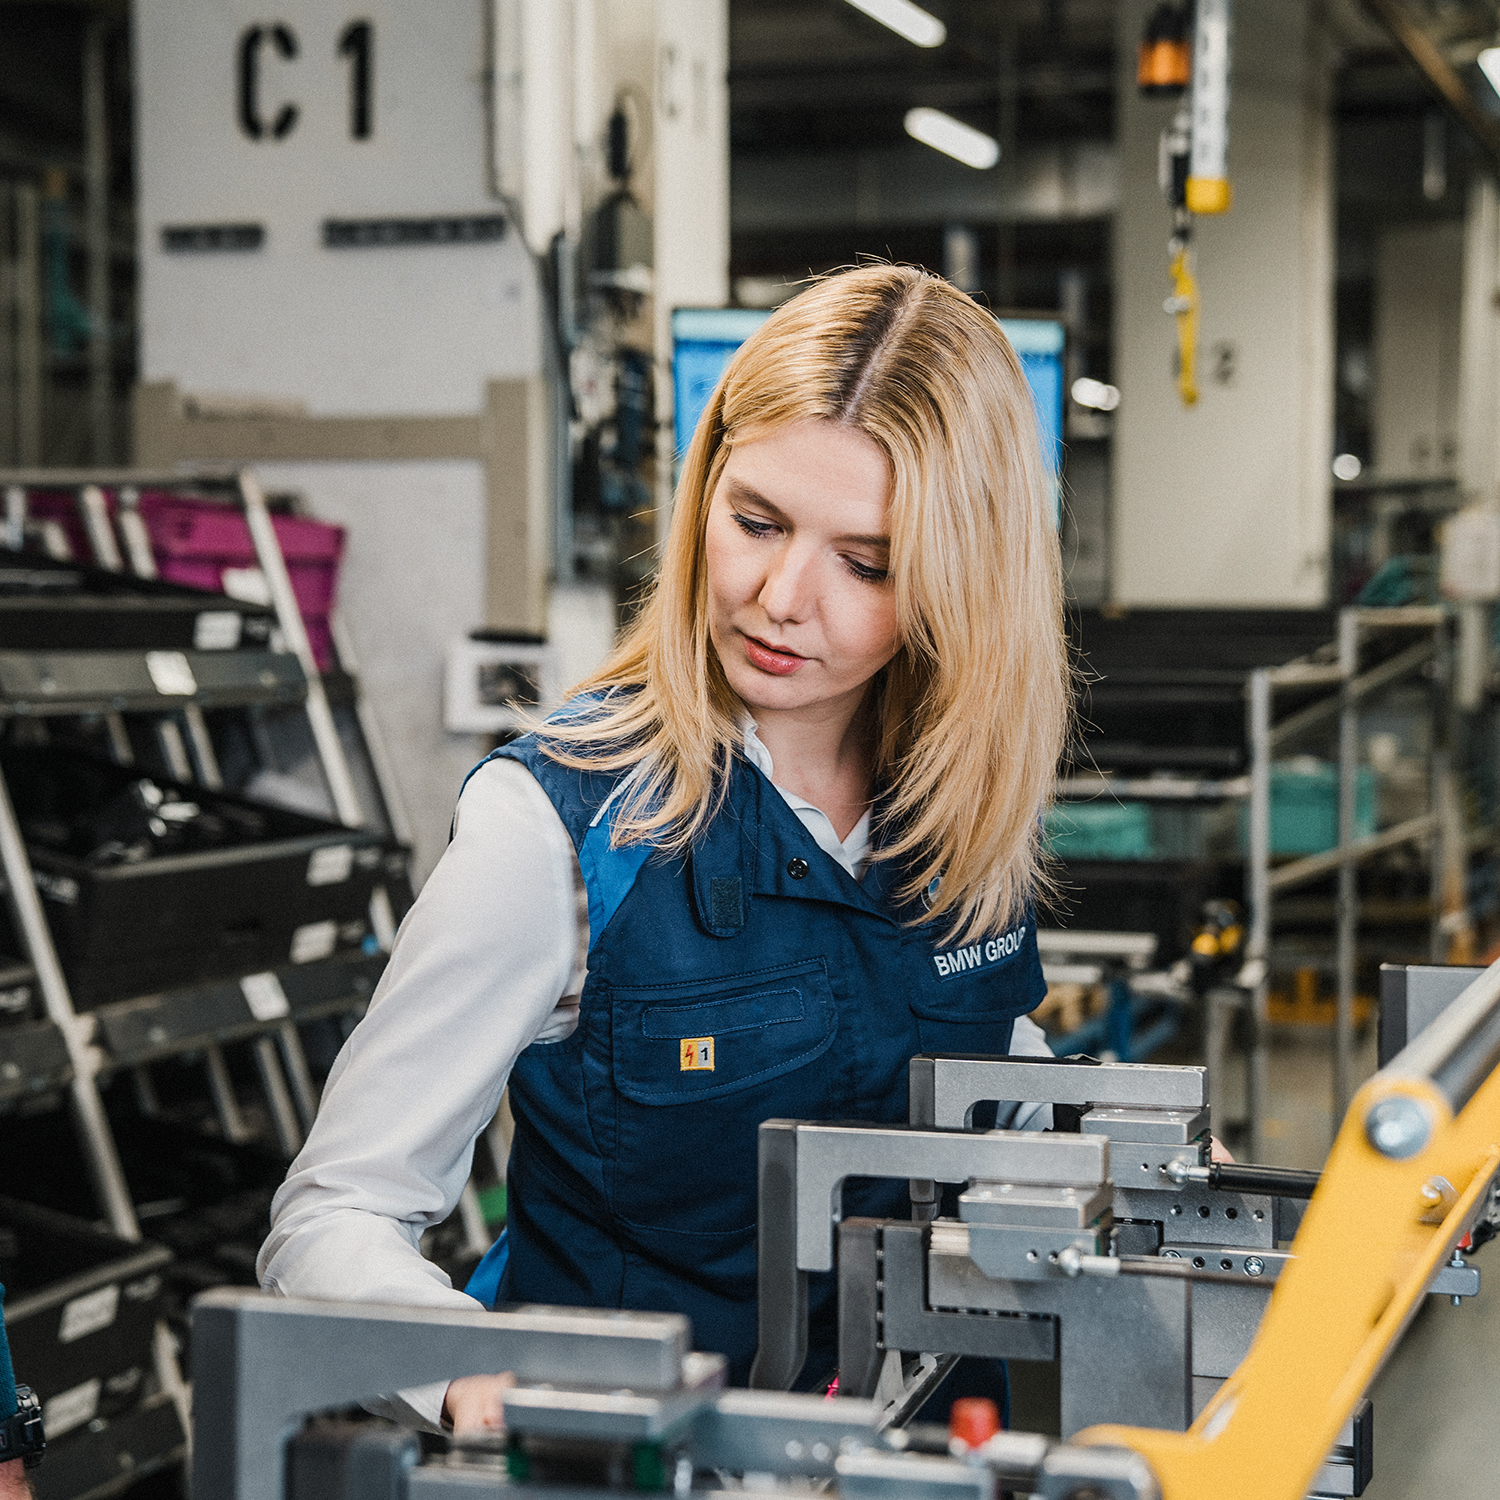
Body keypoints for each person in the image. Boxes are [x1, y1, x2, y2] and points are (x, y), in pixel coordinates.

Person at [258, 264, 1071, 1433]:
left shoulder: (962, 804)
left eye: (867, 563)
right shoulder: (561, 828)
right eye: (756, 522)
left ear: (965, 580)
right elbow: (334, 1217)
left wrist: (1128, 1165)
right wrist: (481, 1386)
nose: (781, 596)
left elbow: (973, 1048)